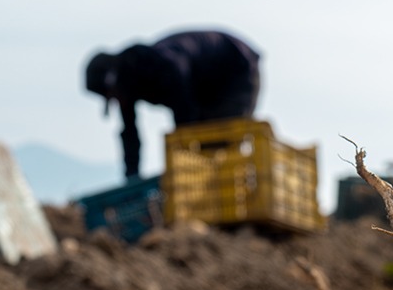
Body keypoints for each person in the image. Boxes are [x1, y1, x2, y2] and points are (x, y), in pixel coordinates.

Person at [85, 29, 261, 180]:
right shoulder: (127, 86)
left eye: (111, 95)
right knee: (202, 148)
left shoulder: (165, 65)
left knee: (218, 140)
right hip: (205, 87)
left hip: (237, 70)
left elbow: (185, 123)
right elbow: (131, 136)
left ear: (113, 82)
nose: (116, 101)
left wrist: (184, 162)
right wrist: (132, 179)